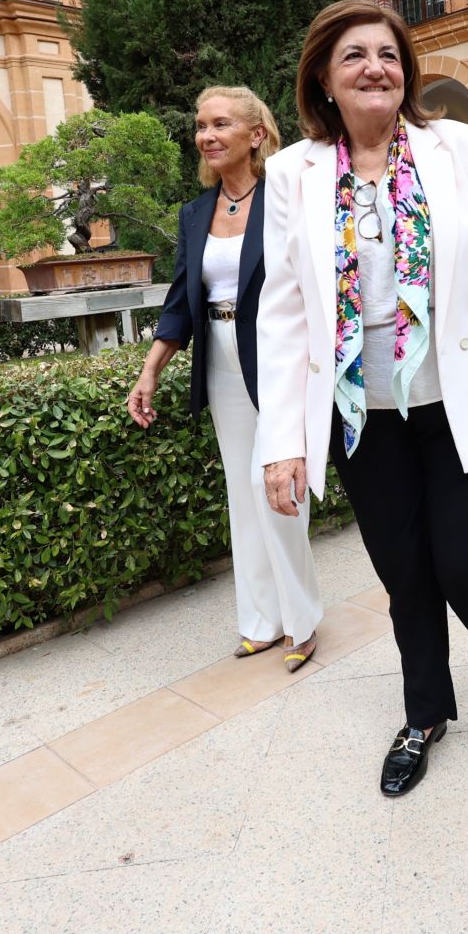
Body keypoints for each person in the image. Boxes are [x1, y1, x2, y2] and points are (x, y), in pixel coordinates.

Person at [257, 0, 468, 798]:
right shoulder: (294, 172)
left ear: (406, 70)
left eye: (387, 53)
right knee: (405, 572)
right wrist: (283, 437)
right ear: (324, 75)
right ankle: (425, 712)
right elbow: (283, 315)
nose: (375, 67)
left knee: (464, 553)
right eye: (354, 56)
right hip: (364, 415)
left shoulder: (451, 146)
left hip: (461, 398)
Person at [126, 86, 324, 670]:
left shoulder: (283, 198)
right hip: (219, 354)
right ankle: (261, 620)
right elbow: (181, 301)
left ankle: (303, 619)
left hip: (276, 353)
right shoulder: (195, 212)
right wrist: (150, 372)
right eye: (200, 126)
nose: (206, 136)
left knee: (281, 486)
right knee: (243, 490)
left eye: (219, 125)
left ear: (255, 134)